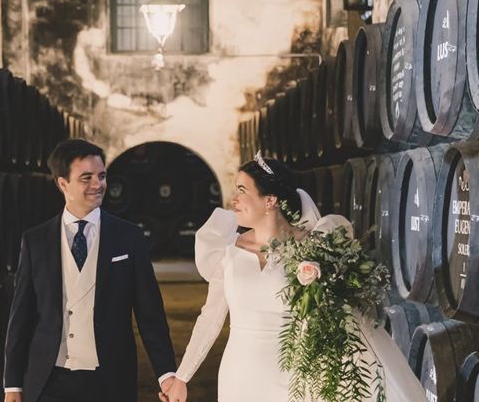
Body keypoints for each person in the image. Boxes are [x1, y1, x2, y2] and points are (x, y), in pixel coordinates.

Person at [161, 153, 425, 402]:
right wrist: (182, 377)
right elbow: (210, 317)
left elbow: (339, 319)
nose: (234, 199)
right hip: (239, 373)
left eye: (242, 190)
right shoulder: (227, 252)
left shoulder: (316, 248)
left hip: (298, 375)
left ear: (270, 200)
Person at [4, 138, 177, 402]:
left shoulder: (128, 237)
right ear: (63, 184)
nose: (98, 185)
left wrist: (166, 374)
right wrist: (13, 384)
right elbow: (21, 317)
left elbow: (150, 314)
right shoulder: (35, 240)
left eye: (102, 175)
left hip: (109, 380)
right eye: (86, 178)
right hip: (49, 380)